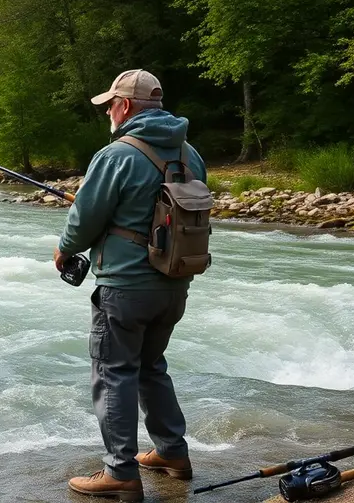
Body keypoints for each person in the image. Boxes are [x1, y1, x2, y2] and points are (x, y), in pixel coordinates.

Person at [52, 69, 207, 502]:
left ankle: (119, 472)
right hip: (174, 284)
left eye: (109, 106)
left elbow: (84, 221)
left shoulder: (116, 154)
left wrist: (63, 250)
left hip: (124, 287)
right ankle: (172, 453)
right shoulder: (189, 153)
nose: (108, 113)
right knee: (151, 366)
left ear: (123, 106)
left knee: (113, 372)